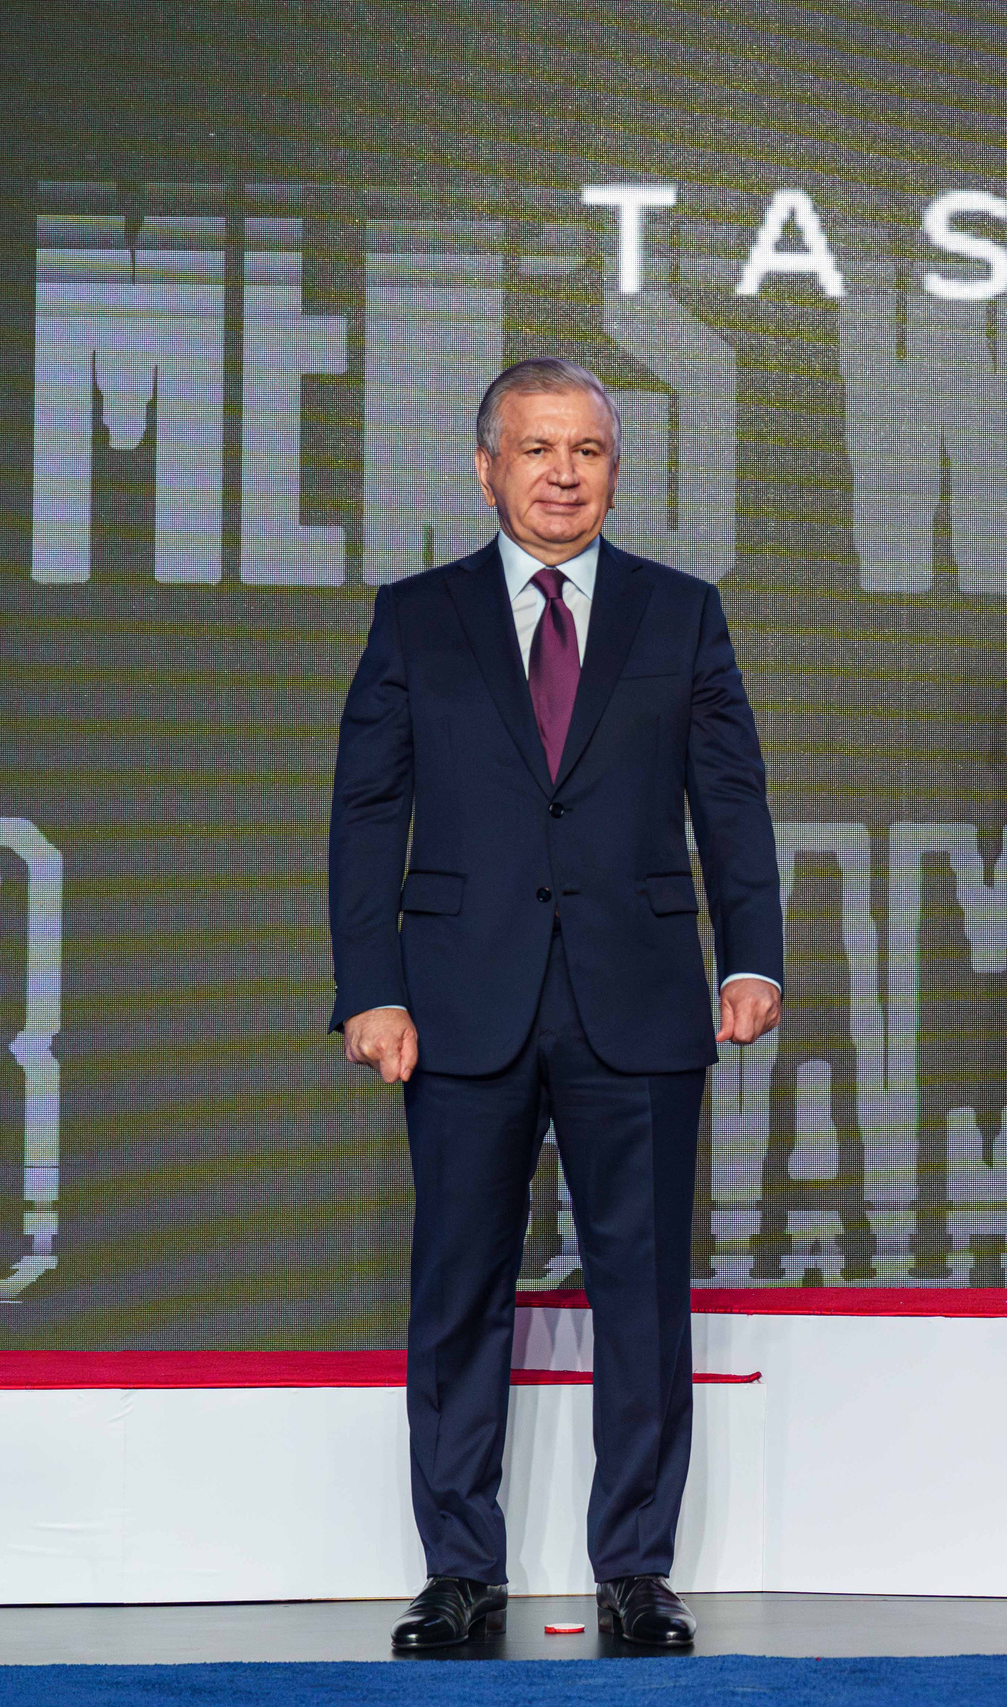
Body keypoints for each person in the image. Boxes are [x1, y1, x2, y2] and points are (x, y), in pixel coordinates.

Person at [328, 358, 783, 1648]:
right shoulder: (415, 617)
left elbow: (730, 799)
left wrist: (752, 957)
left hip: (635, 1000)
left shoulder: (680, 613)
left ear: (615, 472)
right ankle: (457, 1572)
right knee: (457, 1288)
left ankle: (635, 1570)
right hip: (457, 1001)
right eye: (537, 449)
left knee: (642, 1292)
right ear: (487, 470)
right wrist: (370, 988)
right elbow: (365, 814)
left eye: (587, 450)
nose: (563, 474)